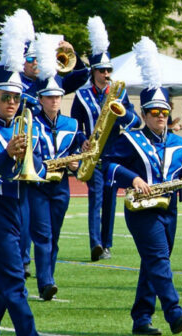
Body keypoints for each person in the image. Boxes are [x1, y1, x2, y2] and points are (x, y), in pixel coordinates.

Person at [103, 36, 182, 336]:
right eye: (154, 113)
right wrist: (133, 178)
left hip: (168, 210)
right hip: (141, 208)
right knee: (159, 258)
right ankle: (174, 312)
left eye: (164, 112)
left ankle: (141, 318)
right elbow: (107, 164)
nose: (161, 117)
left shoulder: (178, 143)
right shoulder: (131, 139)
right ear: (145, 114)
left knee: (153, 262)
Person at [0, 12, 61, 336]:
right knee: (14, 279)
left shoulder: (27, 128)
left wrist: (44, 162)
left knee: (1, 279)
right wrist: (5, 156)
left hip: (20, 205)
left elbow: (39, 166)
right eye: (6, 97)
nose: (12, 102)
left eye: (16, 97)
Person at [71, 16, 140, 262]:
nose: (106, 74)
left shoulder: (118, 93)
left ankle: (107, 243)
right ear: (93, 72)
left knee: (110, 199)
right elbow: (74, 126)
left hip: (114, 152)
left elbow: (136, 120)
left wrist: (119, 113)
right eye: (102, 70)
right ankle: (95, 244)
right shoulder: (81, 96)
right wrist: (82, 140)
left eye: (109, 70)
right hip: (92, 153)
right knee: (95, 197)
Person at [28, 33, 86, 301]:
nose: (54, 101)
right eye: (49, 97)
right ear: (40, 99)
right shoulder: (30, 122)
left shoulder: (72, 125)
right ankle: (45, 281)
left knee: (55, 234)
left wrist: (78, 160)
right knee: (42, 235)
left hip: (61, 184)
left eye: (58, 97)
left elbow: (82, 149)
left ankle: (47, 279)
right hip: (37, 185)